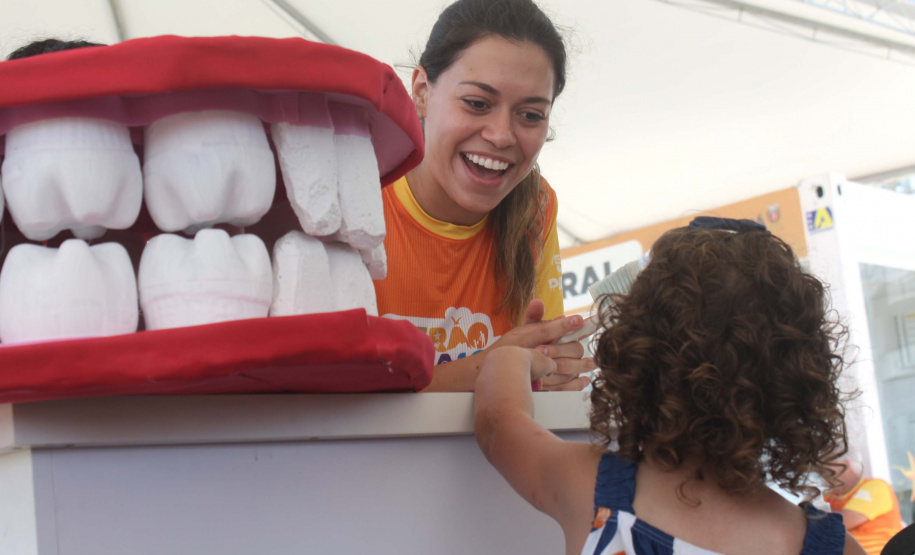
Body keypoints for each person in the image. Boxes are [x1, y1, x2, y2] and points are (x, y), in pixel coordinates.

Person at [474, 218, 866, 554]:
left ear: (634, 359)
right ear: (799, 385)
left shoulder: (594, 492)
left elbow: (498, 424)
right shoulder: (833, 545)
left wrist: (513, 355)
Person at [375, 0, 592, 392]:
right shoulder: (357, 197)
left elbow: (540, 381)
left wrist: (552, 379)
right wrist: (492, 369)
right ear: (422, 92)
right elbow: (324, 406)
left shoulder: (536, 207)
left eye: (530, 115)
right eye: (477, 104)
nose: (501, 135)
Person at [825, 452, 905, 555]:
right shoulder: (828, 497)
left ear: (845, 465)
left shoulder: (876, 486)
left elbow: (841, 522)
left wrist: (813, 513)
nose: (821, 474)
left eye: (826, 467)